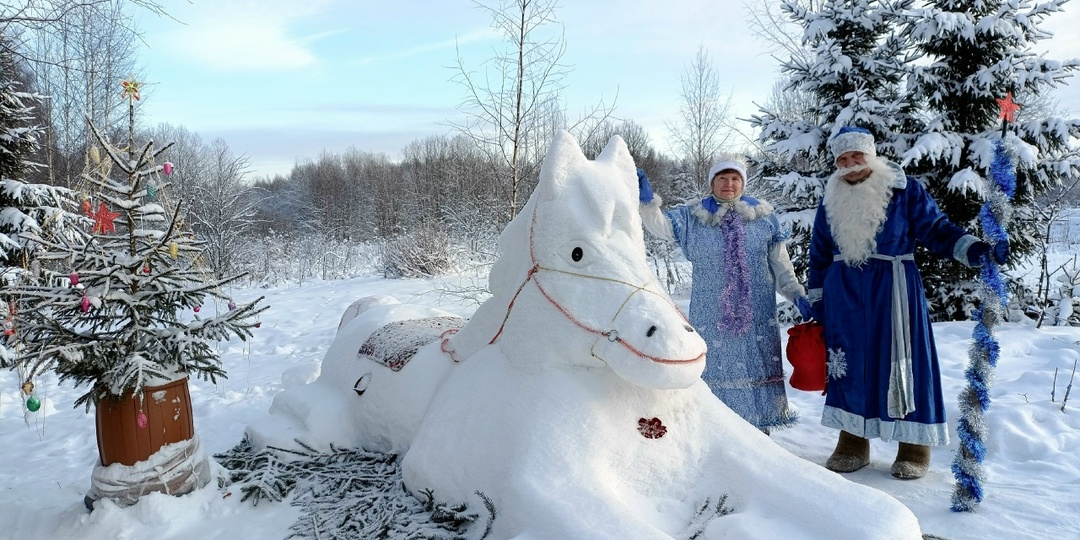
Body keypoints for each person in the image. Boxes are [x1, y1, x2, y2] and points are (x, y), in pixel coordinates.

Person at [808, 126, 1008, 479]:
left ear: (871, 155)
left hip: (894, 288)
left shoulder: (903, 190)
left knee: (904, 360)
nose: (851, 165)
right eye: (843, 159)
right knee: (850, 363)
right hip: (845, 295)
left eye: (857, 156)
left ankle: (914, 446)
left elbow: (937, 229)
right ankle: (853, 440)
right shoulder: (831, 199)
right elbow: (820, 252)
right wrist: (818, 297)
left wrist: (976, 250)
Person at [638, 160, 812, 432]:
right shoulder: (692, 217)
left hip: (757, 312)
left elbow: (780, 265)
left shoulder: (763, 217)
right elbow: (659, 227)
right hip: (711, 313)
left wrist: (796, 294)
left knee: (756, 365)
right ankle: (715, 430)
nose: (728, 184)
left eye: (734, 179)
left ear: (743, 182)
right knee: (713, 368)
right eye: (722, 178)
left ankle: (759, 431)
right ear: (712, 183)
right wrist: (648, 202)